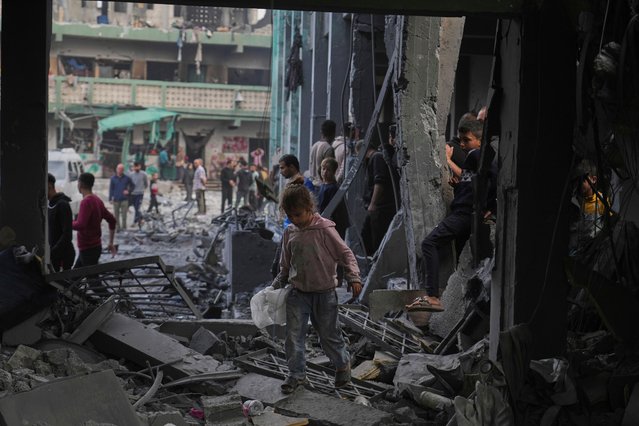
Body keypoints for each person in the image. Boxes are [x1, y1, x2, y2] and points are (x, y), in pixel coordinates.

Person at [271, 184, 362, 394]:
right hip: (298, 293)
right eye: (290, 215)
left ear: (310, 208)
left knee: (329, 335)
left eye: (298, 214)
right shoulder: (290, 232)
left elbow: (345, 254)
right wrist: (276, 284)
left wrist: (353, 276)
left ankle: (342, 367)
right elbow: (285, 264)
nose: (295, 219)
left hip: (324, 293)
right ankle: (296, 375)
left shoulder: (325, 230)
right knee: (294, 336)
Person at [413, 115, 497, 312]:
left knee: (429, 243)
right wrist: (460, 187)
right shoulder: (475, 157)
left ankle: (433, 296)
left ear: (480, 138)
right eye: (461, 140)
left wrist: (490, 207)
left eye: (467, 140)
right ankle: (461, 305)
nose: (463, 144)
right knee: (462, 262)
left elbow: (496, 179)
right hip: (465, 213)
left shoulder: (479, 155)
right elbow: (475, 183)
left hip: (464, 214)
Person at [360, 130, 400, 256]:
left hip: (380, 208)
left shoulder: (376, 157)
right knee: (367, 238)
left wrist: (373, 204)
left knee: (375, 240)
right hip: (378, 207)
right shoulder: (376, 158)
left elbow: (380, 182)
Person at [72, 173, 117, 268]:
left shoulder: (86, 202)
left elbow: (80, 225)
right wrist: (110, 243)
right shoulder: (97, 200)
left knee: (91, 280)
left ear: (80, 184)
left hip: (88, 249)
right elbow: (112, 220)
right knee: (75, 279)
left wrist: (66, 223)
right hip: (95, 247)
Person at [47, 173, 75, 271]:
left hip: (63, 256)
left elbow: (67, 235)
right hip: (54, 257)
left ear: (49, 186)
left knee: (64, 285)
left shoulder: (62, 205)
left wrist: (52, 253)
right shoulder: (50, 205)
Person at [309, 120, 336, 189]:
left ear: (321, 132)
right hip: (323, 187)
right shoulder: (328, 148)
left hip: (313, 185)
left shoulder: (315, 145)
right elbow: (329, 171)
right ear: (333, 133)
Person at [109, 163, 133, 231]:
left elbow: (132, 186)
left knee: (124, 215)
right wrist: (110, 198)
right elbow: (111, 189)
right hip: (116, 199)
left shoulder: (127, 178)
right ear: (116, 169)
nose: (120, 170)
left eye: (121, 169)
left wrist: (129, 191)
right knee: (116, 215)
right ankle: (118, 228)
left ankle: (124, 228)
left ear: (123, 170)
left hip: (124, 199)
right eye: (119, 169)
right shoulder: (113, 178)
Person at [128, 161, 148, 228]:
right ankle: (142, 218)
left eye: (138, 166)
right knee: (136, 208)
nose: (136, 168)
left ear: (140, 166)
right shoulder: (131, 175)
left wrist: (142, 189)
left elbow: (146, 183)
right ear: (133, 167)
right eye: (135, 166)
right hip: (132, 194)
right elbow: (129, 184)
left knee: (137, 208)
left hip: (140, 194)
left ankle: (135, 222)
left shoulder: (143, 174)